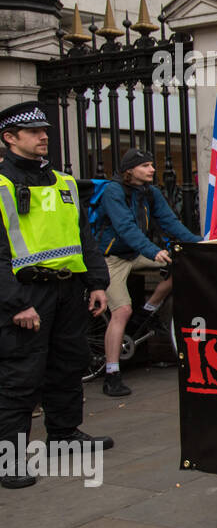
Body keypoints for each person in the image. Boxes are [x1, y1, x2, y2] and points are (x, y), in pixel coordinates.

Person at [0, 103, 113, 488]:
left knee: (68, 365)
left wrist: (97, 283)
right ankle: (10, 458)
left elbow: (85, 238)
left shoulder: (64, 182)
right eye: (33, 132)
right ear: (9, 139)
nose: (43, 135)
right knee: (20, 376)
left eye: (45, 129)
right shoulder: (0, 185)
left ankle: (64, 437)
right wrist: (17, 302)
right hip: (26, 294)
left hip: (67, 291)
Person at [95, 148, 201, 397]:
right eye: (145, 166)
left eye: (152, 165)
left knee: (182, 265)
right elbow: (125, 228)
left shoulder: (149, 192)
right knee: (121, 311)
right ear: (129, 171)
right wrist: (153, 252)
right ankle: (112, 373)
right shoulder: (113, 191)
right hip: (112, 258)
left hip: (135, 253)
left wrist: (200, 243)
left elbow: (171, 223)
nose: (152, 170)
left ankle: (148, 310)